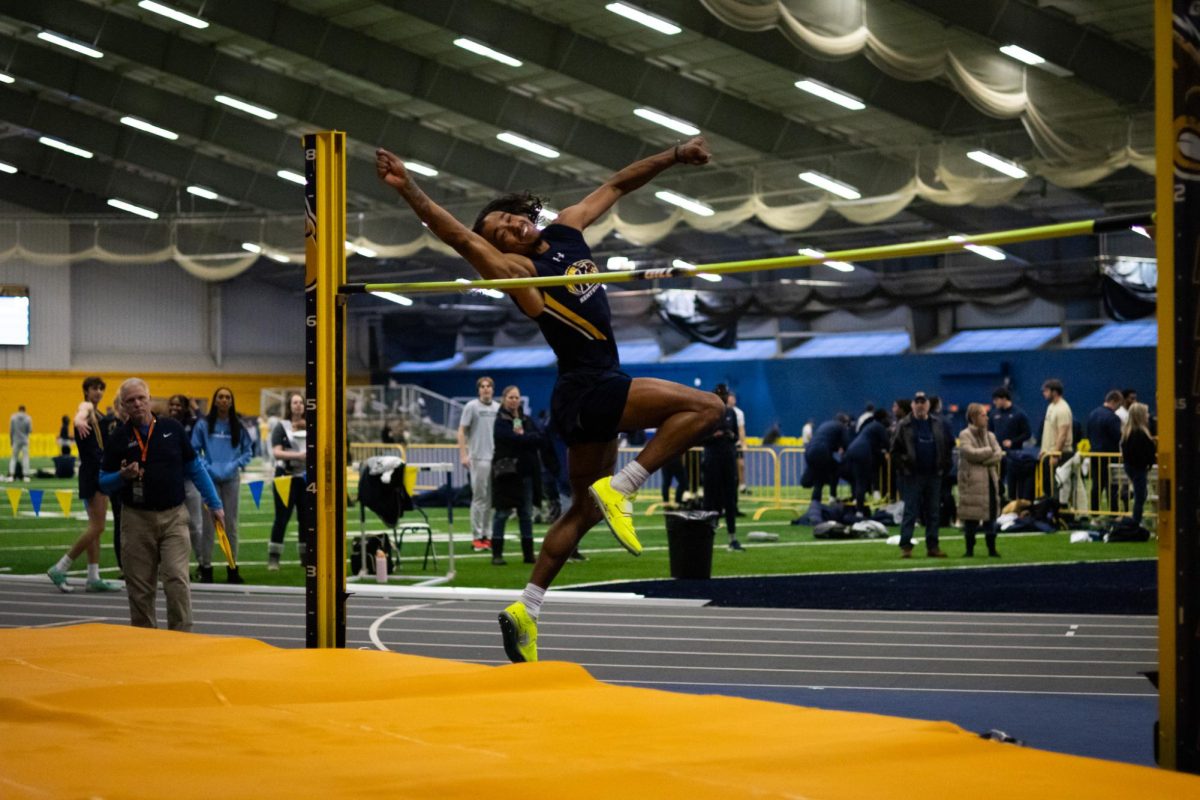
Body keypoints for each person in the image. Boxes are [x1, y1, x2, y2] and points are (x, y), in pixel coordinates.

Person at [377, 136, 723, 663]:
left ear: (522, 214)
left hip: (585, 392)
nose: (511, 229)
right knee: (708, 408)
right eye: (500, 234)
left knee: (582, 510)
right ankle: (626, 486)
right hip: (590, 385)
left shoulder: (566, 229)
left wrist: (674, 155)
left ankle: (527, 609)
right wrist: (412, 191)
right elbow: (460, 240)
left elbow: (617, 184)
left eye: (509, 220)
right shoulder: (522, 277)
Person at [99, 378, 223, 631]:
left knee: (176, 579)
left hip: (174, 517)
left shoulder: (172, 429)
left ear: (150, 399)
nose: (137, 404)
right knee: (140, 586)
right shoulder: (118, 438)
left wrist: (215, 504)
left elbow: (196, 468)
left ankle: (181, 637)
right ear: (123, 406)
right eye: (130, 400)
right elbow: (103, 482)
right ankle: (146, 642)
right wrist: (122, 477)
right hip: (135, 519)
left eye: (141, 398)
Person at [45, 377, 121, 593]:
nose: (98, 392)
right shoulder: (87, 410)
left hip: (99, 470)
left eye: (101, 389)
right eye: (94, 389)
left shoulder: (99, 415)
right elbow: (82, 408)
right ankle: (60, 567)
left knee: (94, 527)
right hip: (92, 472)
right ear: (86, 391)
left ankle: (93, 577)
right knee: (98, 526)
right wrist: (78, 418)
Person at [191, 387, 253, 584]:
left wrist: (234, 465)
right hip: (209, 480)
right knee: (208, 526)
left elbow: (248, 452)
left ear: (232, 401)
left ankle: (232, 568)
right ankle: (206, 567)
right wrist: (207, 467)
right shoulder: (203, 425)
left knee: (231, 525)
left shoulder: (239, 427)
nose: (224, 400)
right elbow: (194, 450)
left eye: (228, 397)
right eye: (220, 397)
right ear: (215, 401)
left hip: (231, 480)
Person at [890, 391, 951, 558]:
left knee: (933, 512)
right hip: (913, 475)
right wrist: (904, 468)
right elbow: (894, 451)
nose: (920, 405)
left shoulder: (937, 424)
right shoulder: (904, 425)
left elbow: (946, 446)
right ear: (912, 405)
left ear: (928, 405)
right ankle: (906, 547)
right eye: (917, 402)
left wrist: (943, 468)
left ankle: (933, 546)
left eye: (922, 402)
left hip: (933, 474)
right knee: (910, 511)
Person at [490, 386, 543, 566]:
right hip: (507, 474)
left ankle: (528, 555)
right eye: (511, 397)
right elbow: (515, 439)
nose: (514, 401)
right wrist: (524, 438)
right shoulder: (500, 421)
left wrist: (523, 437)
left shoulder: (525, 419)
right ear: (504, 399)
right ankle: (497, 554)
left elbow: (539, 437)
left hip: (526, 473)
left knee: (526, 514)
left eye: (516, 397)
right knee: (502, 513)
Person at [267, 392, 308, 571]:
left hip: (305, 477)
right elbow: (276, 452)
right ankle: (274, 557)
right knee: (281, 518)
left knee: (306, 519)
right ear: (289, 406)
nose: (298, 405)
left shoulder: (312, 425)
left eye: (301, 402)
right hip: (285, 476)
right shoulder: (281, 427)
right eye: (295, 402)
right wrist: (299, 455)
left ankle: (306, 558)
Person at [458, 376, 498, 553]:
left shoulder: (498, 408)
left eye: (489, 386)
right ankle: (477, 536)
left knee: (490, 499)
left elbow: (514, 424)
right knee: (479, 498)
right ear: (478, 390)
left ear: (493, 389)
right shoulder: (472, 407)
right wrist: (463, 455)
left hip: (495, 460)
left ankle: (487, 535)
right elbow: (461, 431)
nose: (486, 389)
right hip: (478, 458)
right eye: (483, 386)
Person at [958, 403, 1003, 557]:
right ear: (973, 417)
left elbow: (999, 455)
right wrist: (988, 452)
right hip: (972, 484)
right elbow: (970, 453)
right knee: (971, 519)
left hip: (990, 482)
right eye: (983, 415)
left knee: (991, 518)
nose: (987, 417)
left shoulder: (991, 436)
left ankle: (992, 549)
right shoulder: (964, 435)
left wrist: (984, 458)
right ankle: (969, 550)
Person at [167, 395, 205, 580]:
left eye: (178, 404)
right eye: (171, 404)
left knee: (195, 526)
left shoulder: (194, 423)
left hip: (189, 480)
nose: (174, 408)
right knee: (169, 526)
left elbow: (205, 424)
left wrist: (196, 408)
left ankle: (202, 563)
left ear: (184, 407)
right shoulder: (163, 424)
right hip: (169, 481)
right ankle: (173, 566)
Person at [703, 384, 743, 551]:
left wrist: (730, 436)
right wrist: (714, 436)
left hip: (728, 460)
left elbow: (736, 436)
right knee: (710, 500)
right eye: (720, 395)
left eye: (724, 395)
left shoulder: (731, 413)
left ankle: (732, 538)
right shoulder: (707, 414)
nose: (723, 397)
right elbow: (700, 438)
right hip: (712, 460)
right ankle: (706, 538)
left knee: (730, 500)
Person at [844, 408, 890, 516]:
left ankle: (858, 506)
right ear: (883, 418)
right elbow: (887, 443)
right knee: (862, 482)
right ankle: (860, 511)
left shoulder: (870, 426)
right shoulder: (879, 427)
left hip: (853, 450)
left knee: (858, 481)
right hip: (862, 452)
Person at [988, 387, 1031, 500]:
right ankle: (999, 505)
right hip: (997, 455)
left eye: (996, 400)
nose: (994, 402)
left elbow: (1027, 434)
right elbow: (989, 432)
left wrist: (1013, 442)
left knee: (1014, 484)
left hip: (1014, 455)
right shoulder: (993, 414)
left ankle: (1014, 504)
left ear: (1003, 399)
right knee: (996, 482)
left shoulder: (1019, 414)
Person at [1086, 390, 1124, 515]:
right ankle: (1113, 513)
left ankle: (1094, 512)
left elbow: (1088, 434)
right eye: (1119, 404)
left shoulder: (1092, 414)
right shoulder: (1113, 418)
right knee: (1112, 486)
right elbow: (1118, 437)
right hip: (1110, 456)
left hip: (1094, 455)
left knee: (1096, 485)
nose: (1119, 408)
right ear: (1114, 401)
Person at [801, 415, 851, 505]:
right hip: (822, 452)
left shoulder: (826, 424)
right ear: (844, 423)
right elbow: (846, 444)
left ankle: (815, 501)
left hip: (809, 452)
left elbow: (825, 440)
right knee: (834, 471)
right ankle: (832, 497)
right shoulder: (841, 427)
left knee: (818, 479)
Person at [1120, 402, 1155, 526]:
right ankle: (1136, 521)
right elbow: (1145, 453)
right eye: (1146, 413)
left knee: (1140, 494)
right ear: (1141, 416)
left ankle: (1136, 519)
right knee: (1140, 497)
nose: (1148, 415)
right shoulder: (1140, 434)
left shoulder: (1127, 433)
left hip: (1131, 467)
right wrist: (1149, 462)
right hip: (1138, 468)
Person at [1039, 378, 1074, 496]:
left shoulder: (1063, 409)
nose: (1044, 393)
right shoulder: (1051, 407)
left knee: (1058, 487)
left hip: (1060, 455)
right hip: (1048, 454)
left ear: (1054, 392)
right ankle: (1051, 512)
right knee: (1047, 486)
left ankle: (1061, 513)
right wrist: (1044, 450)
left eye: (1046, 391)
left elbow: (1062, 434)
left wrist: (1055, 454)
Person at [726, 390, 748, 495]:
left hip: (736, 444)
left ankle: (742, 485)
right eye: (731, 397)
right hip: (726, 445)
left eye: (734, 397)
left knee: (741, 464)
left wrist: (743, 443)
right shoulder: (723, 411)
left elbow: (741, 429)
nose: (733, 399)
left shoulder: (739, 413)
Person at [8, 404, 31, 482]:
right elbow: (30, 430)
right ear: (24, 410)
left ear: (19, 409)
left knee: (14, 458)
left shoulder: (13, 418)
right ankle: (26, 476)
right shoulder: (28, 418)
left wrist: (11, 440)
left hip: (16, 440)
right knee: (25, 458)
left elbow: (11, 430)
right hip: (25, 440)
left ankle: (11, 475)